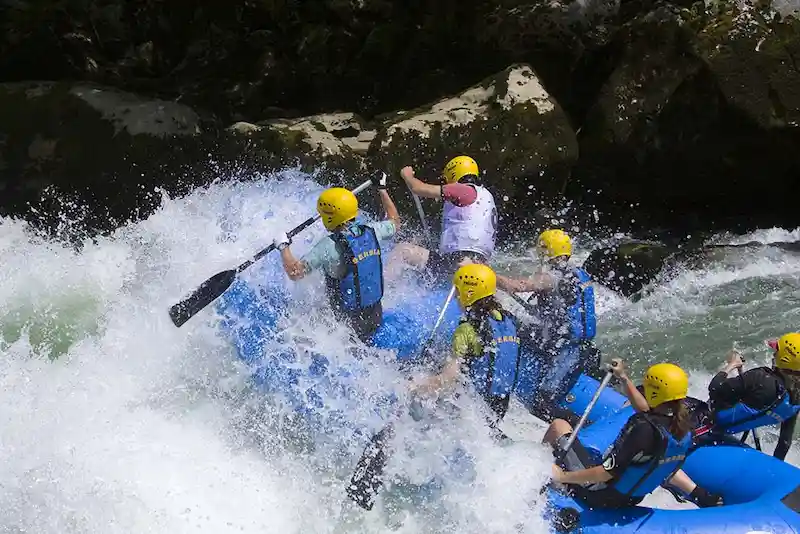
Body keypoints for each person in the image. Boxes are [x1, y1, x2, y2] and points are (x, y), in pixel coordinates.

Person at [545, 359, 724, 509]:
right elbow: (646, 409)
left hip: (601, 496)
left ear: (653, 392)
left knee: (559, 426)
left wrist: (563, 476)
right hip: (633, 498)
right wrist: (623, 378)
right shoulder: (684, 426)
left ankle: (542, 479)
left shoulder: (642, 429)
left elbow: (606, 473)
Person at [274, 174, 400, 344]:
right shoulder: (373, 230)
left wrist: (283, 247)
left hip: (346, 325)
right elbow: (395, 221)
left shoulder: (328, 246)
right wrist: (382, 190)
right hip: (375, 314)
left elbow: (295, 273)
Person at [494, 229, 599, 420]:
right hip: (574, 343)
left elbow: (519, 286)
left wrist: (487, 275)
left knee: (542, 402)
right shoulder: (579, 273)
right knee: (518, 327)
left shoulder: (553, 276)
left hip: (567, 349)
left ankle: (576, 428)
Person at [410, 263, 521, 439]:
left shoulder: (466, 329)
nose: (455, 297)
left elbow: (449, 379)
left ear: (469, 293)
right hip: (500, 406)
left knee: (415, 405)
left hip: (474, 410)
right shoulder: (508, 320)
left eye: (458, 291)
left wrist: (417, 385)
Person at [386, 156, 498, 285]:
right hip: (477, 262)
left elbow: (417, 188)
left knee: (402, 251)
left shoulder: (463, 190)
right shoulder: (485, 196)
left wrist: (407, 175)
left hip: (458, 262)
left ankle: (381, 293)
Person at [708, 333, 800, 460]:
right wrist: (774, 467)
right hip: (733, 430)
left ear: (784, 360)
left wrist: (732, 364)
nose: (774, 354)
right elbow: (785, 442)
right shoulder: (796, 398)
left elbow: (714, 388)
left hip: (708, 422)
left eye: (777, 352)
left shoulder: (760, 378)